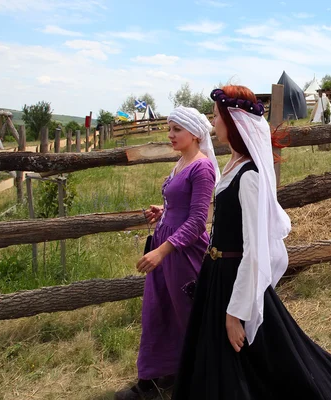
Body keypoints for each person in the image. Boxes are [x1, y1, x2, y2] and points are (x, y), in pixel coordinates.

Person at [172, 86, 331, 400]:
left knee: (255, 359)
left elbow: (253, 252)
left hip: (235, 278)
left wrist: (234, 314)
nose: (212, 122)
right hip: (216, 274)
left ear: (233, 123)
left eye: (216, 116)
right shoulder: (231, 167)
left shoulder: (249, 177)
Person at [115, 107, 220, 400]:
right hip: (167, 243)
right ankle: (155, 377)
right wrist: (164, 211)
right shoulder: (182, 162)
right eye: (169, 128)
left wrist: (161, 252)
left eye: (177, 129)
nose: (170, 135)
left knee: (185, 314)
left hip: (183, 252)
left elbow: (199, 220)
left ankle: (197, 378)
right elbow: (182, 205)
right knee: (158, 310)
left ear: (195, 134)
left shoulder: (202, 167)